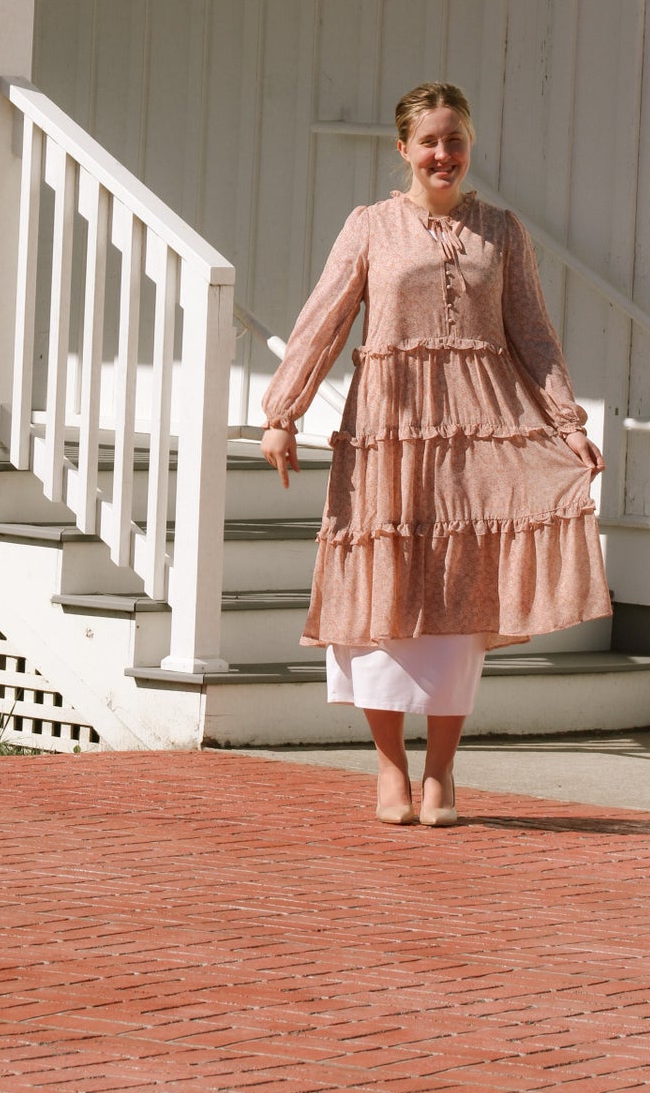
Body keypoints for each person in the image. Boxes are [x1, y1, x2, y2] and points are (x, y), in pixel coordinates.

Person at [260, 82, 610, 828]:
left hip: (480, 435)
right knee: (382, 597)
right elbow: (320, 321)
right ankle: (390, 771)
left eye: (454, 140)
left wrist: (567, 421)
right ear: (403, 150)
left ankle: (442, 774)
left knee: (460, 600)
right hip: (388, 431)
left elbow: (533, 337)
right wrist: (282, 414)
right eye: (429, 142)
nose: (443, 154)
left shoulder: (502, 233)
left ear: (469, 145)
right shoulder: (371, 228)